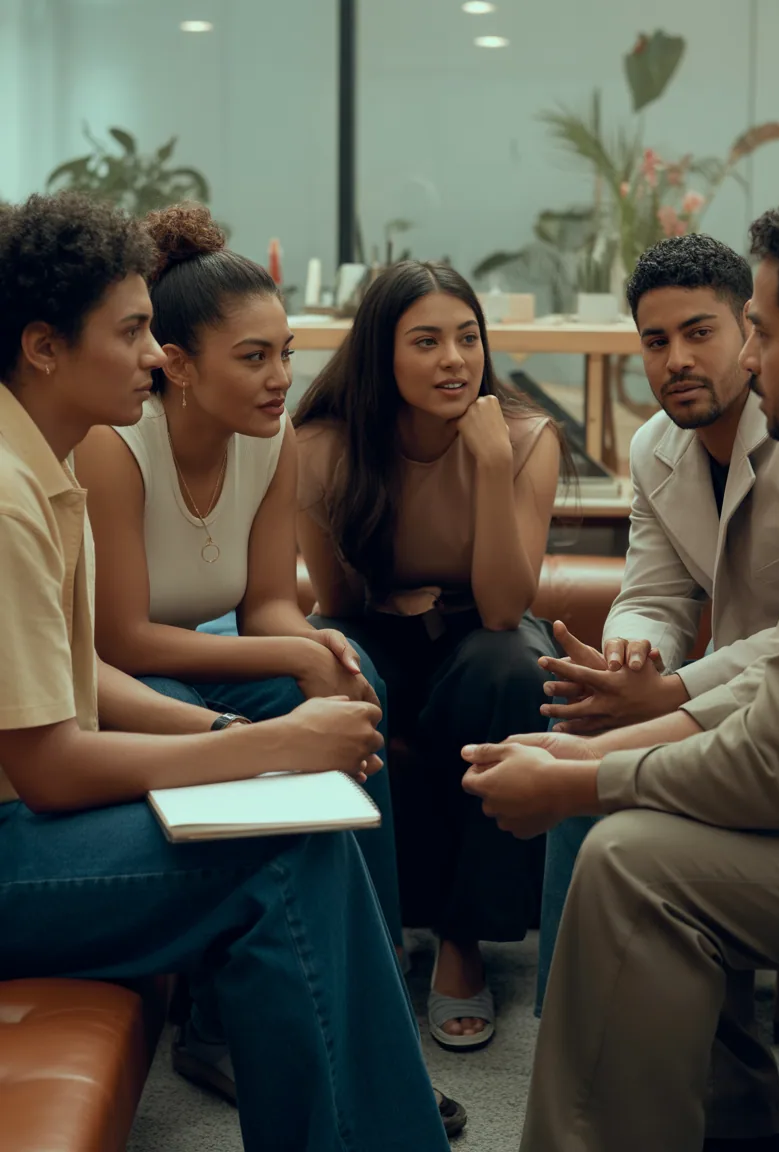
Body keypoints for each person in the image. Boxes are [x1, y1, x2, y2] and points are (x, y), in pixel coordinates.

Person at [0, 190, 454, 1152]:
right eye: (130, 334)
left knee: (301, 818)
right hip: (17, 832)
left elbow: (76, 671)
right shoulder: (17, 493)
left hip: (27, 817)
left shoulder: (41, 463)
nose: (149, 356)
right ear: (44, 346)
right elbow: (50, 766)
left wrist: (244, 740)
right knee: (282, 845)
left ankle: (372, 1082)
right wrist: (269, 747)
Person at [462, 190, 779, 1152]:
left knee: (627, 849)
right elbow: (674, 606)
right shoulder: (684, 449)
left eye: (751, 331)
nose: (701, 358)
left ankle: (646, 1103)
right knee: (617, 813)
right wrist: (632, 678)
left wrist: (588, 771)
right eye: (656, 341)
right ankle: (687, 1103)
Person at [536, 234, 779, 1010]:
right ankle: (575, 1025)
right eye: (656, 340)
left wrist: (673, 692)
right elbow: (655, 593)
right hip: (721, 698)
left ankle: (611, 1047)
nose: (676, 360)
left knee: (593, 779)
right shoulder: (654, 446)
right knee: (580, 754)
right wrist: (635, 655)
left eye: (699, 333)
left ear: (750, 333)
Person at [293, 260, 564, 1050]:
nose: (455, 358)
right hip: (379, 625)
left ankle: (461, 939)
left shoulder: (522, 437)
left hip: (481, 633)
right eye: (427, 341)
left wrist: (485, 464)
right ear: (382, 354)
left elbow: (508, 607)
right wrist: (385, 597)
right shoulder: (322, 445)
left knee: (509, 666)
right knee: (338, 671)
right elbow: (338, 605)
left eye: (468, 337)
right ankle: (362, 935)